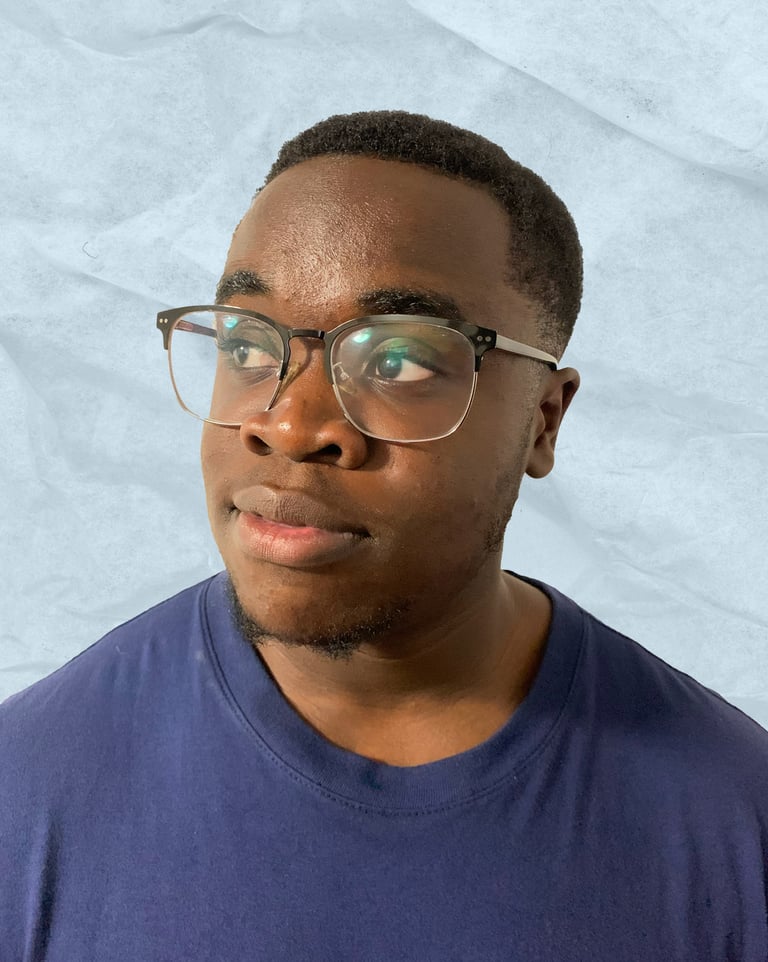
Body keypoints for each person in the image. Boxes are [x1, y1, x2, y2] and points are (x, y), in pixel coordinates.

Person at [1, 110, 766, 961]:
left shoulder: (735, 826)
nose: (289, 425)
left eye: (397, 360)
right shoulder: (25, 792)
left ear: (542, 422)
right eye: (248, 346)